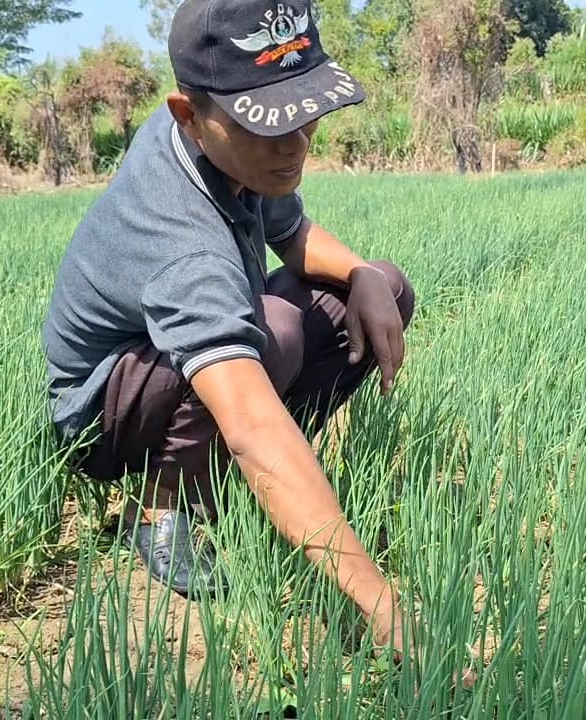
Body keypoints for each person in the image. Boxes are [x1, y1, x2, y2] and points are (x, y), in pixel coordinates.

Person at [41, 0, 417, 658]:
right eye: (267, 125)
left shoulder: (237, 150)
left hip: (180, 357)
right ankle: (161, 508)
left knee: (382, 284)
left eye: (305, 116)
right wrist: (380, 603)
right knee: (272, 329)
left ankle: (259, 482)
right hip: (103, 414)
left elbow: (293, 234)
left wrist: (363, 275)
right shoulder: (180, 238)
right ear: (188, 115)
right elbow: (250, 423)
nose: (296, 144)